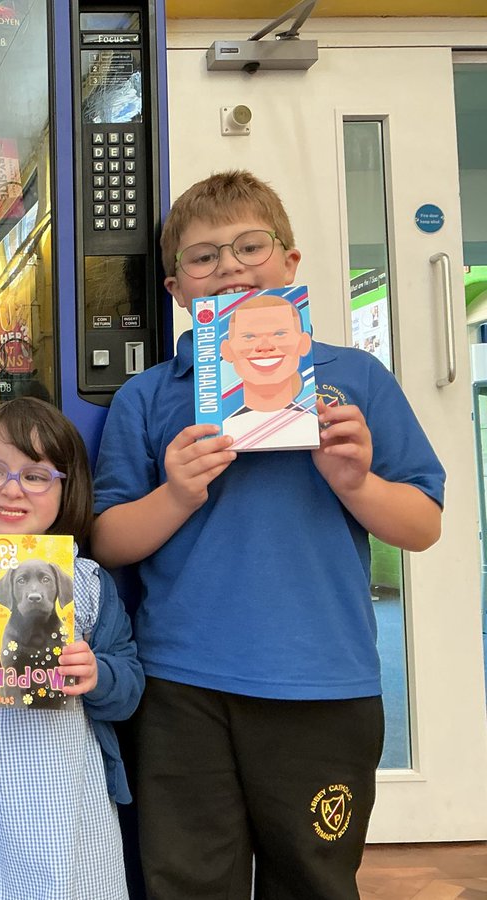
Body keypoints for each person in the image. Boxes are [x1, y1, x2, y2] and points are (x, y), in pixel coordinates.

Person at [91, 170, 445, 900]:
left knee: (314, 877)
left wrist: (357, 483)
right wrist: (179, 492)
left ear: (291, 263)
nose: (230, 266)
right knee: (187, 878)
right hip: (181, 683)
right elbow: (108, 539)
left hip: (322, 681)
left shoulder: (354, 380)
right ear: (176, 290)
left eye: (251, 246)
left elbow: (423, 524)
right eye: (203, 257)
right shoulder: (150, 395)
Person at [0, 397, 143, 900]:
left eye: (36, 476)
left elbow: (130, 686)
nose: (12, 489)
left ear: (67, 489)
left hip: (69, 797)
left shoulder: (89, 582)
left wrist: (98, 674)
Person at [217, 292, 318, 449]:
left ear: (304, 343)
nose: (265, 346)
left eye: (279, 334)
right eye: (249, 337)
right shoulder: (218, 432)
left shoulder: (316, 428)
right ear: (227, 351)